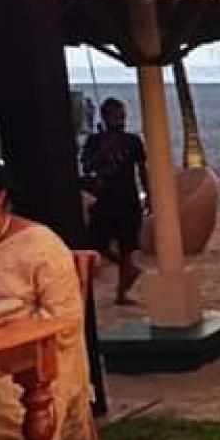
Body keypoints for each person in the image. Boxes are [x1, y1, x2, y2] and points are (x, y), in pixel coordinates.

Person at [0, 162, 102, 440]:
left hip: (39, 363)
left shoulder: (40, 244)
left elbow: (65, 323)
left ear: (1, 198)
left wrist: (11, 327)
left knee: (9, 422)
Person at [81, 98, 146, 305]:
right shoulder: (94, 141)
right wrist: (103, 151)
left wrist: (149, 195)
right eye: (116, 116)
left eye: (122, 116)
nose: (120, 120)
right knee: (96, 243)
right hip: (105, 200)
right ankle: (127, 269)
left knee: (127, 247)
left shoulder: (132, 141)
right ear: (105, 117)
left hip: (128, 199)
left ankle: (121, 292)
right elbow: (87, 167)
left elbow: (142, 169)